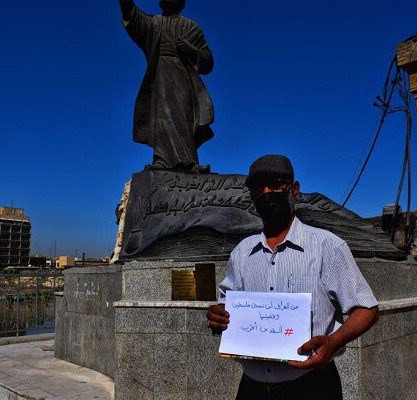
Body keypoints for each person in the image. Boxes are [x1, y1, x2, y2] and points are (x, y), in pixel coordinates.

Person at [206, 154, 379, 399]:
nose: (266, 193)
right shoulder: (241, 253)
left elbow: (367, 309)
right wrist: (218, 316)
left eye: (275, 184)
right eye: (258, 187)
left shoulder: (327, 246)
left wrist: (333, 342)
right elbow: (227, 304)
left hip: (312, 388)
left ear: (294, 190)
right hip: (252, 390)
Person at [119, 0, 214, 174]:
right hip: (160, 76)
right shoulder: (154, 23)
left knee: (184, 116)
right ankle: (162, 160)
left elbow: (208, 61)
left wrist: (192, 50)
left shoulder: (191, 27)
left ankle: (189, 162)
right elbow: (133, 17)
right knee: (161, 116)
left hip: (183, 78)